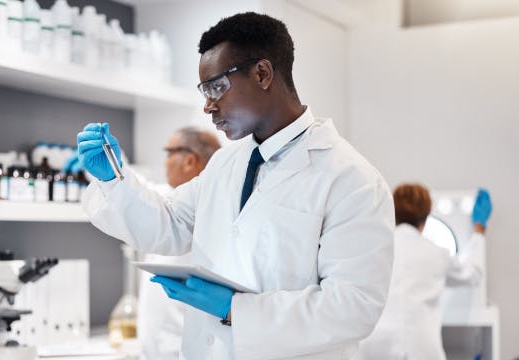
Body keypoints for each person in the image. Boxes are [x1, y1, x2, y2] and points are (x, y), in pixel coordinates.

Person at [79, 12, 395, 359]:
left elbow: (352, 308)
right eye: (204, 90)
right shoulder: (225, 164)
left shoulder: (351, 179)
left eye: (216, 87)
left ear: (262, 74)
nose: (208, 106)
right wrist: (114, 180)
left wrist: (236, 310)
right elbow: (169, 224)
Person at [356, 184, 493, 360]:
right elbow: (472, 274)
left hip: (374, 346)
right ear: (426, 217)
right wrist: (479, 229)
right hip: (420, 348)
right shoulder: (436, 253)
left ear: (393, 212)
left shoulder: (373, 250)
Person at [137, 127, 221, 360]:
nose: (165, 163)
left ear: (190, 160)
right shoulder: (169, 198)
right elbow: (136, 193)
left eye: (168, 153)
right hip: (154, 350)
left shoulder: (208, 208)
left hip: (183, 351)